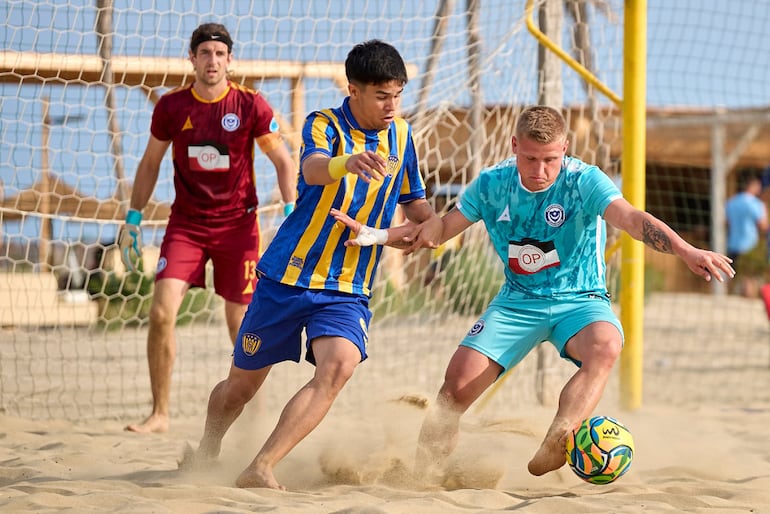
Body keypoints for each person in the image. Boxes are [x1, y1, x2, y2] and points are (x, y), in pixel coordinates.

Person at [330, 105, 735, 481]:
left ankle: (560, 435)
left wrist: (686, 249)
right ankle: (422, 479)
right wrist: (378, 235)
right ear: (514, 147)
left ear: (565, 149)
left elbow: (630, 218)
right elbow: (438, 232)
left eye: (550, 159)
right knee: (453, 391)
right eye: (530, 159)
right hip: (516, 302)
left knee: (607, 344)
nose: (540, 170)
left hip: (580, 300)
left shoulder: (584, 180)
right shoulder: (492, 185)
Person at [186, 39, 442, 490]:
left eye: (397, 96)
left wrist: (436, 226)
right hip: (287, 277)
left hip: (347, 287)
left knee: (339, 366)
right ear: (354, 90)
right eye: (381, 96)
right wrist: (350, 162)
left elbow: (415, 201)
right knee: (239, 389)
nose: (391, 106)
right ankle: (208, 449)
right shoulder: (324, 123)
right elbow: (313, 170)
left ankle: (261, 465)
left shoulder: (402, 135)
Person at [118, 22, 297, 434]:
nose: (212, 60)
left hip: (239, 227)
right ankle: (160, 413)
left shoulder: (251, 105)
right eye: (205, 53)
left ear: (230, 60)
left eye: (219, 54)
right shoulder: (172, 107)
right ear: (192, 59)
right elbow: (149, 163)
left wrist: (290, 213)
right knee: (161, 312)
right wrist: (133, 218)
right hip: (187, 226)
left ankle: (254, 415)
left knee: (242, 325)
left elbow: (284, 162)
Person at [725, 173, 768, 280]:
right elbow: (763, 225)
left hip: (733, 244)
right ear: (753, 185)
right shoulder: (756, 204)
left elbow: (727, 222)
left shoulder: (732, 201)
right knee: (750, 278)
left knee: (731, 276)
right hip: (751, 246)